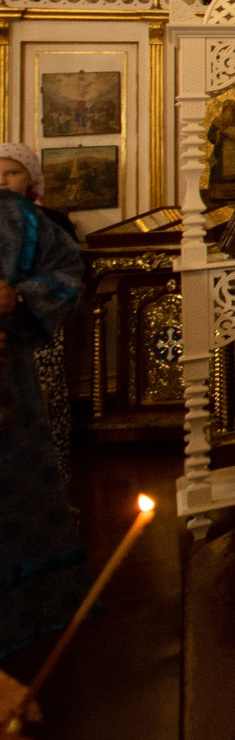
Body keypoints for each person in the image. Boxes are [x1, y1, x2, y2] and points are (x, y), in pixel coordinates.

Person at [0, 143, 89, 656]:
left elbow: (63, 276)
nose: (3, 181)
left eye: (12, 173)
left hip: (11, 370)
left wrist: (17, 299)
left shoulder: (32, 224)